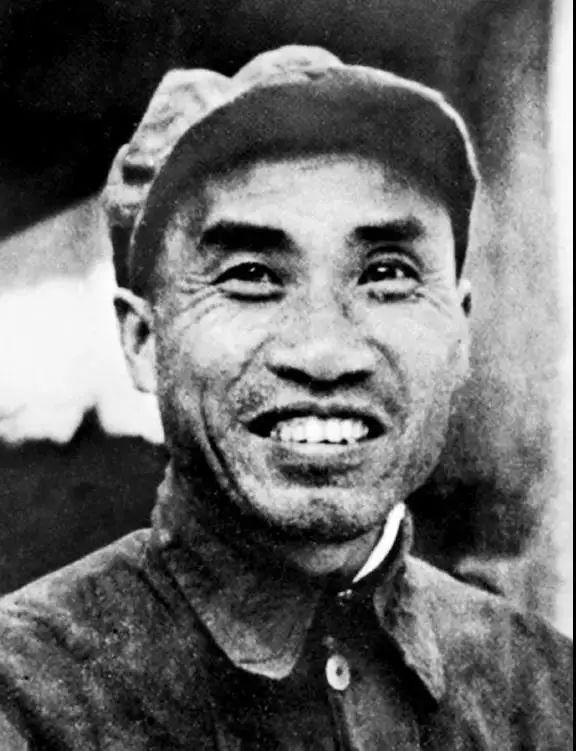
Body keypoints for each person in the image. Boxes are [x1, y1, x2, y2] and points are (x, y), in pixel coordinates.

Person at [0, 46, 571, 750]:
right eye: (251, 275)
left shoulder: (549, 689)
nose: (324, 353)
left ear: (460, 330)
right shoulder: (24, 693)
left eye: (387, 273)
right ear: (143, 340)